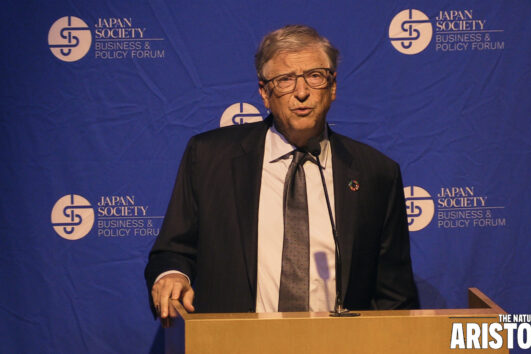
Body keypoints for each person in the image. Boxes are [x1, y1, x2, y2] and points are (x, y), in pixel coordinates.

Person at [145, 24, 418, 320]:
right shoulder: (210, 157)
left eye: (315, 76)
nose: (301, 92)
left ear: (333, 86)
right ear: (265, 93)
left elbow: (394, 296)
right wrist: (172, 275)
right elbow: (172, 251)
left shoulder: (376, 173)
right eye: (285, 79)